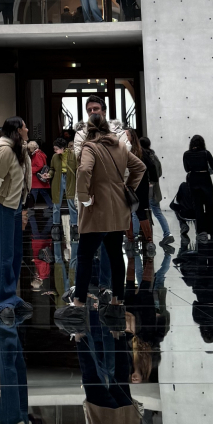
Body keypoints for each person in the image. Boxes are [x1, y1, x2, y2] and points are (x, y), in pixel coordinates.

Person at [60, 112, 145, 330]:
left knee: (85, 256)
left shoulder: (90, 147)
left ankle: (78, 303)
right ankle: (117, 303)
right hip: (118, 210)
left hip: (96, 210)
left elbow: (85, 170)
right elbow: (139, 168)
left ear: (89, 129)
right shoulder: (120, 146)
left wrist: (84, 197)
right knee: (117, 255)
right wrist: (128, 187)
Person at [0, 117, 32, 326]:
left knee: (16, 253)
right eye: (24, 126)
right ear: (17, 130)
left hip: (16, 204)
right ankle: (3, 301)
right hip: (4, 206)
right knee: (5, 253)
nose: (27, 128)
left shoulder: (19, 148)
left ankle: (11, 295)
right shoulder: (4, 150)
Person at [181, 134, 213, 239]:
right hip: (206, 179)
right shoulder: (206, 153)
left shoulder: (186, 154)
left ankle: (202, 232)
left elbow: (187, 169)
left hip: (193, 180)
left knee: (198, 207)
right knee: (209, 206)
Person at [50, 134, 77, 240]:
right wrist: (49, 174)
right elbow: (52, 168)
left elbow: (77, 168)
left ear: (63, 148)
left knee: (71, 203)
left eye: (56, 148)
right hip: (58, 179)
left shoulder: (72, 155)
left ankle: (74, 224)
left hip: (70, 179)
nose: (55, 150)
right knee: (56, 203)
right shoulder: (55, 157)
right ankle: (55, 224)